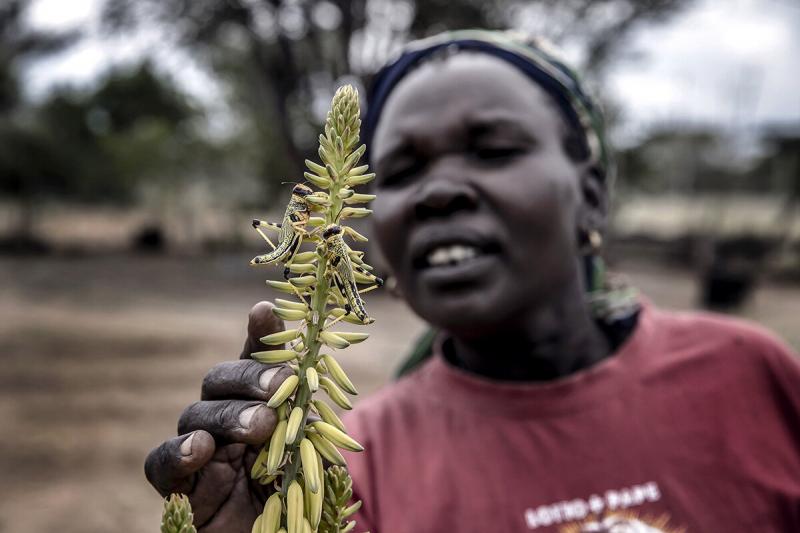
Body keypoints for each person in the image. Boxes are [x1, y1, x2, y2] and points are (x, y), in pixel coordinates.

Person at [144, 30, 800, 532]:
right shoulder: (350, 473)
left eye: (492, 148)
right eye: (400, 169)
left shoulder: (754, 375)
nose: (439, 192)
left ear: (592, 195)